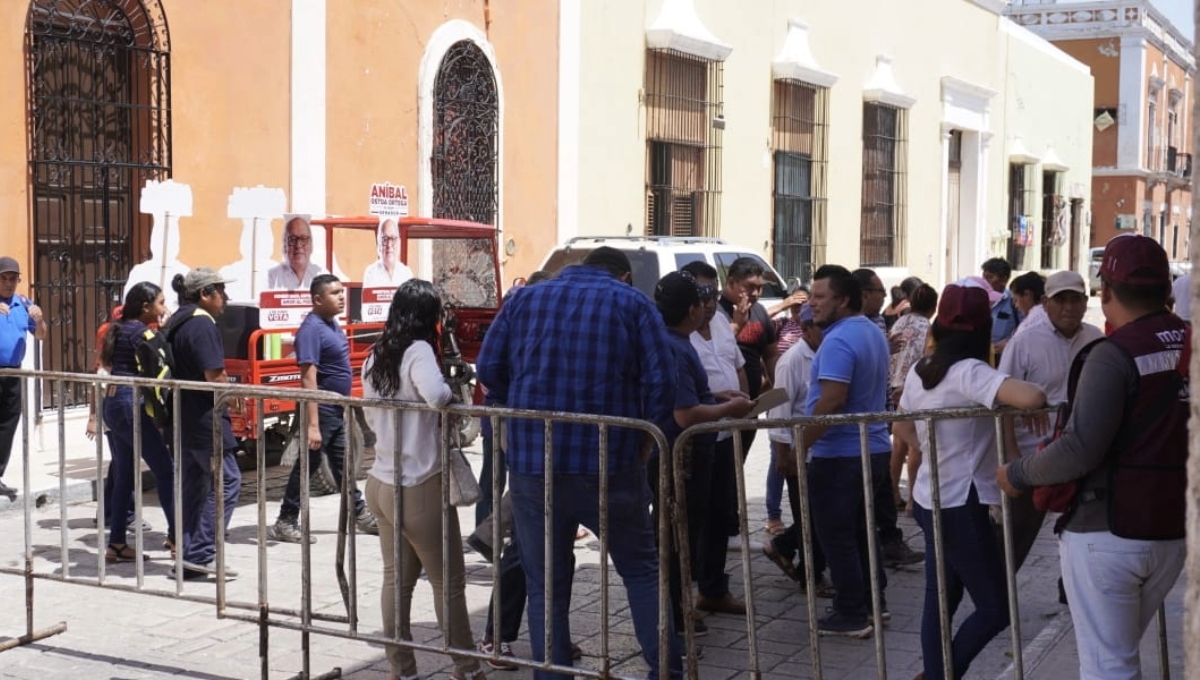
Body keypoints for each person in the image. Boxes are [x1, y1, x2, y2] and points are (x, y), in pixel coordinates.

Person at [476, 246, 681, 680]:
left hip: (535, 463)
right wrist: (643, 435)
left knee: (545, 584)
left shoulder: (524, 300)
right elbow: (664, 383)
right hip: (611, 462)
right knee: (642, 571)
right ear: (623, 276)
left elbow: (489, 369)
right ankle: (666, 670)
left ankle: (552, 674)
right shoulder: (634, 304)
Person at [998, 235, 1189, 679]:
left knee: (1108, 667)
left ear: (1105, 293)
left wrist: (1018, 472)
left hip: (1109, 532)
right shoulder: (1189, 342)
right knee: (1117, 656)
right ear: (1166, 289)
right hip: (1171, 531)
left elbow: (1080, 448)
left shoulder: (1114, 353)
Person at [893, 282, 1046, 680]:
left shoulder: (921, 370)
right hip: (963, 502)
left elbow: (902, 426)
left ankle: (937, 672)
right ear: (982, 330)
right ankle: (943, 674)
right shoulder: (970, 372)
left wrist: (932, 450)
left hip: (931, 496)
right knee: (996, 608)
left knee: (940, 600)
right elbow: (1031, 396)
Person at [362, 279, 483, 680]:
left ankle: (402, 669)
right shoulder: (417, 351)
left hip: (381, 481)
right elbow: (435, 395)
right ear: (428, 316)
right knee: (448, 584)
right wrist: (451, 394)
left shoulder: (376, 353)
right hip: (418, 484)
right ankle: (467, 668)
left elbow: (367, 414)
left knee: (396, 582)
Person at [776, 264, 891, 638]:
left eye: (821, 297)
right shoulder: (870, 331)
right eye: (812, 295)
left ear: (843, 300)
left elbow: (831, 401)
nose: (813, 303)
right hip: (869, 449)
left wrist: (799, 446)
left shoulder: (840, 339)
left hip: (841, 454)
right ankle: (874, 604)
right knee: (859, 531)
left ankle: (851, 613)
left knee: (837, 535)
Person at [650, 271, 754, 632]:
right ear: (692, 309)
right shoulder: (676, 347)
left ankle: (680, 605)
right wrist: (728, 409)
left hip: (690, 450)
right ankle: (674, 615)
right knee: (679, 537)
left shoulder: (672, 340)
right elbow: (685, 414)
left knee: (688, 531)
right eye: (702, 303)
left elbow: (692, 399)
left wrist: (717, 396)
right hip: (685, 454)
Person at [998, 271, 1102, 573]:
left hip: (1084, 455)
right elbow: (1003, 399)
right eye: (1061, 300)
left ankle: (1070, 587)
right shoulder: (1025, 342)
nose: (1069, 307)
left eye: (1076, 300)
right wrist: (1012, 455)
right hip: (1035, 457)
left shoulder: (1096, 340)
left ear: (1086, 302)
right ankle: (998, 603)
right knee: (1015, 539)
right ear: (1045, 303)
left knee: (1084, 536)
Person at [271, 274, 378, 544]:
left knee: (343, 464)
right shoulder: (311, 329)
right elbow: (308, 379)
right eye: (334, 293)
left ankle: (359, 512)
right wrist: (313, 425)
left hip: (337, 408)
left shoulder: (331, 324)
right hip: (323, 410)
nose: (342, 297)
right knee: (307, 466)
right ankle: (286, 520)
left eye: (342, 291)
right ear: (318, 299)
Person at [680, 260, 751, 614]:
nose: (709, 301)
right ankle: (680, 599)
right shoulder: (679, 332)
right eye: (701, 293)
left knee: (721, 513)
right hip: (693, 439)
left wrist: (746, 403)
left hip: (726, 434)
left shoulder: (722, 322)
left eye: (712, 291)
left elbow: (737, 366)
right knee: (689, 518)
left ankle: (712, 588)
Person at [167, 268, 243, 580]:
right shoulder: (201, 323)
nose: (225, 297)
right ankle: (201, 552)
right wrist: (234, 392)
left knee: (195, 486)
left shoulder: (177, 320)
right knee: (228, 481)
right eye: (220, 291)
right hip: (204, 417)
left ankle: (188, 556)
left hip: (183, 415)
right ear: (204, 293)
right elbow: (214, 375)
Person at [98, 282, 177, 562]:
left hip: (114, 403)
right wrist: (165, 331)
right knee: (166, 470)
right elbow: (164, 359)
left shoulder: (120, 329)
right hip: (130, 405)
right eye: (160, 303)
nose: (164, 308)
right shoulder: (141, 332)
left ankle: (117, 543)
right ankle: (177, 537)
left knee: (125, 473)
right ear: (145, 307)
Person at [853, 267, 923, 568]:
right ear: (864, 294)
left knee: (877, 487)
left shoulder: (878, 321)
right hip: (860, 425)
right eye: (880, 292)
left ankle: (889, 543)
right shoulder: (852, 327)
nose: (884, 297)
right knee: (866, 491)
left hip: (880, 416)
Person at [761, 303, 828, 591]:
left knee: (817, 515)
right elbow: (778, 412)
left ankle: (783, 546)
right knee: (810, 516)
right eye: (821, 328)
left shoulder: (827, 354)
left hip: (822, 449)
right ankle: (810, 575)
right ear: (806, 328)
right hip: (800, 449)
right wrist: (782, 454)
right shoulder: (792, 361)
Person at [0, 255, 47, 501]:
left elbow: (40, 336)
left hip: (13, 372)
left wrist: (39, 320)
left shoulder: (23, 303)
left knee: (8, 423)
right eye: (4, 279)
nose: (9, 284)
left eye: (13, 279)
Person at [887, 283, 937, 508]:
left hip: (894, 386)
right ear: (933, 307)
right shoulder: (928, 327)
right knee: (915, 444)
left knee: (898, 443)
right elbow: (928, 356)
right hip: (914, 387)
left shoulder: (900, 321)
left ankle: (893, 492)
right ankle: (913, 500)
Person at [267, 216, 327, 290]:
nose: (298, 245)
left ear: (311, 246)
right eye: (292, 239)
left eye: (303, 238)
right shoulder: (272, 276)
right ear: (285, 246)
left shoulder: (322, 275)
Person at [981, 258, 1021, 360]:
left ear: (1004, 279)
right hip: (981, 355)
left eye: (989, 277)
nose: (985, 282)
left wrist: (1010, 342)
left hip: (1004, 356)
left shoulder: (1014, 302)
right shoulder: (978, 299)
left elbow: (1027, 328)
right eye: (983, 277)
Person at [362, 217, 414, 289]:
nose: (389, 245)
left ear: (399, 242)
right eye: (385, 239)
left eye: (393, 238)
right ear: (379, 243)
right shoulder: (371, 272)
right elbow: (368, 299)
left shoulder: (406, 273)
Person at [1008, 272, 1047, 338]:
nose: (1016, 306)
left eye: (1016, 300)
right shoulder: (1041, 313)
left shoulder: (1037, 317)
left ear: (1027, 294)